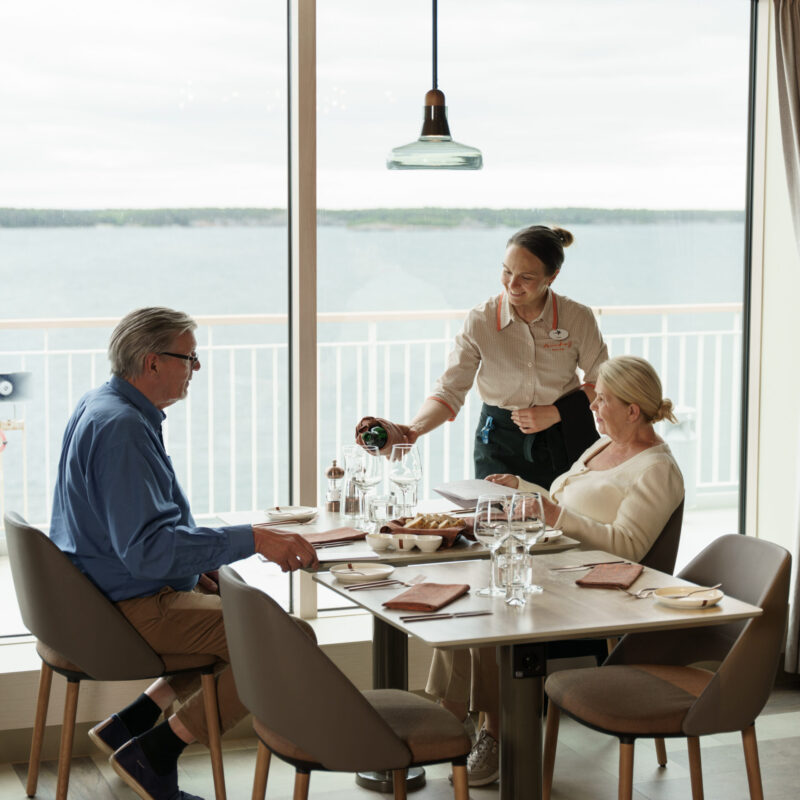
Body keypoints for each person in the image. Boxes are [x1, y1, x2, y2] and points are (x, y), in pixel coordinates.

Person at [48, 307, 318, 800]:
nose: (197, 368)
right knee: (287, 638)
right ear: (152, 362)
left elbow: (140, 533)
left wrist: (197, 567)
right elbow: (148, 552)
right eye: (189, 358)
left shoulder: (104, 403)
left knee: (235, 608)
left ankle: (136, 719)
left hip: (95, 595)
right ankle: (155, 751)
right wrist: (255, 538)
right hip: (125, 607)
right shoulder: (123, 429)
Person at [426, 355, 684, 786]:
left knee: (491, 613)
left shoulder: (657, 470)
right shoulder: (604, 445)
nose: (593, 406)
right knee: (465, 599)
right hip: (559, 565)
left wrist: (552, 514)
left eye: (602, 399)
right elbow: (564, 501)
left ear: (632, 410)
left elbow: (629, 549)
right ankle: (451, 722)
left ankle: (494, 732)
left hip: (596, 587)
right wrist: (523, 489)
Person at [356, 224, 608, 489]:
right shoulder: (481, 320)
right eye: (507, 271)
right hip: (500, 442)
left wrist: (557, 412)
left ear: (552, 276)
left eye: (526, 277)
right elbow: (450, 389)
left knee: (567, 512)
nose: (512, 284)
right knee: (494, 514)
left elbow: (603, 383)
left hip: (566, 435)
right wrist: (414, 429)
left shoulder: (578, 318)